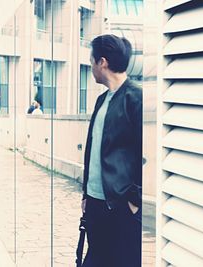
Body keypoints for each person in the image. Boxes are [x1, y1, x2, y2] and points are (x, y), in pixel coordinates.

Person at [81, 34, 142, 267]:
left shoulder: (136, 98)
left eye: (91, 61)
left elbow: (145, 155)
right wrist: (86, 194)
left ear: (102, 62)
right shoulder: (101, 100)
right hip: (96, 204)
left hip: (121, 207)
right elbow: (93, 149)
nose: (91, 66)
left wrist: (134, 199)